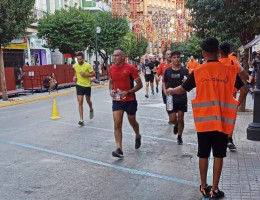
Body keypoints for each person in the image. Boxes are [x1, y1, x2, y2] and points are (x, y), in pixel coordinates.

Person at [166, 38, 247, 199]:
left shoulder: (198, 71)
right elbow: (244, 89)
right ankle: (215, 189)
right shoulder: (229, 71)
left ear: (203, 53)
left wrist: (171, 90)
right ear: (218, 52)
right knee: (219, 154)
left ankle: (204, 187)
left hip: (204, 121)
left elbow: (183, 89)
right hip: (222, 121)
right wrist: (235, 105)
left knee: (203, 154)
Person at [109, 49, 143, 158]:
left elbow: (140, 85)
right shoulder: (111, 68)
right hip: (117, 100)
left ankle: (137, 135)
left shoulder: (131, 68)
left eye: (116, 56)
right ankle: (119, 149)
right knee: (117, 123)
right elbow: (111, 82)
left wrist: (128, 92)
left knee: (132, 121)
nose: (114, 58)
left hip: (130, 100)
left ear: (122, 57)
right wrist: (111, 91)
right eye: (113, 56)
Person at [219, 41, 248, 150]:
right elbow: (244, 74)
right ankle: (229, 138)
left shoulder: (216, 62)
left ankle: (221, 137)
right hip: (232, 93)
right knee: (231, 116)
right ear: (230, 51)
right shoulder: (234, 62)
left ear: (219, 51)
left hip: (219, 93)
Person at [163, 51, 189, 145]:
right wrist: (164, 90)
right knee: (172, 119)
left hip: (182, 98)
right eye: (174, 57)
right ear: (171, 59)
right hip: (170, 98)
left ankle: (179, 136)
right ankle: (176, 124)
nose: (176, 59)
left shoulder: (184, 71)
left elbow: (187, 83)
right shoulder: (168, 71)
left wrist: (185, 81)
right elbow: (164, 82)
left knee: (181, 117)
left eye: (178, 57)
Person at [73, 52, 95, 126]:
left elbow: (93, 74)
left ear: (83, 59)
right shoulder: (75, 65)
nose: (79, 60)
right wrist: (74, 77)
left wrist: (85, 75)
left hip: (87, 85)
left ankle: (91, 109)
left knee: (88, 100)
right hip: (79, 85)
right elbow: (76, 73)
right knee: (80, 101)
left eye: (80, 59)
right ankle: (81, 119)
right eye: (78, 59)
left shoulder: (87, 65)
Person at [156, 50, 172, 115]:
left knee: (175, 103)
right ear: (165, 56)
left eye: (170, 54)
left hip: (174, 87)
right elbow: (157, 74)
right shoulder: (162, 65)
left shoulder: (175, 64)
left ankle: (173, 116)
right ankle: (170, 117)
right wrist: (157, 78)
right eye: (168, 54)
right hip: (165, 88)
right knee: (168, 104)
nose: (169, 56)